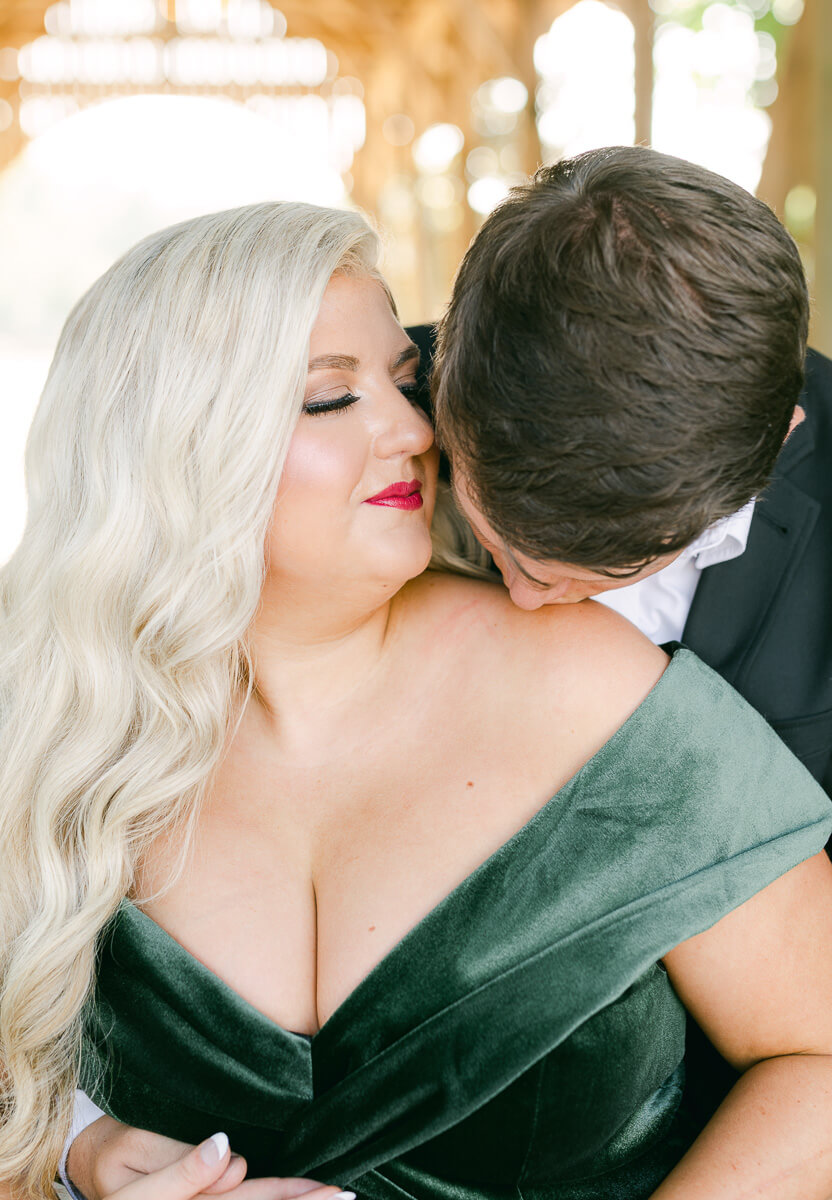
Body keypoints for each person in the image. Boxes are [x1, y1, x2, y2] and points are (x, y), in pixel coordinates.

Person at [4, 202, 832, 1200]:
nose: (414, 428)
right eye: (325, 400)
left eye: (404, 383)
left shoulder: (593, 685)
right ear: (175, 450)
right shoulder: (55, 720)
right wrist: (82, 1153)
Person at [427, 145, 832, 797]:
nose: (525, 598)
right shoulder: (357, 416)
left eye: (566, 575)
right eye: (502, 545)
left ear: (778, 438)